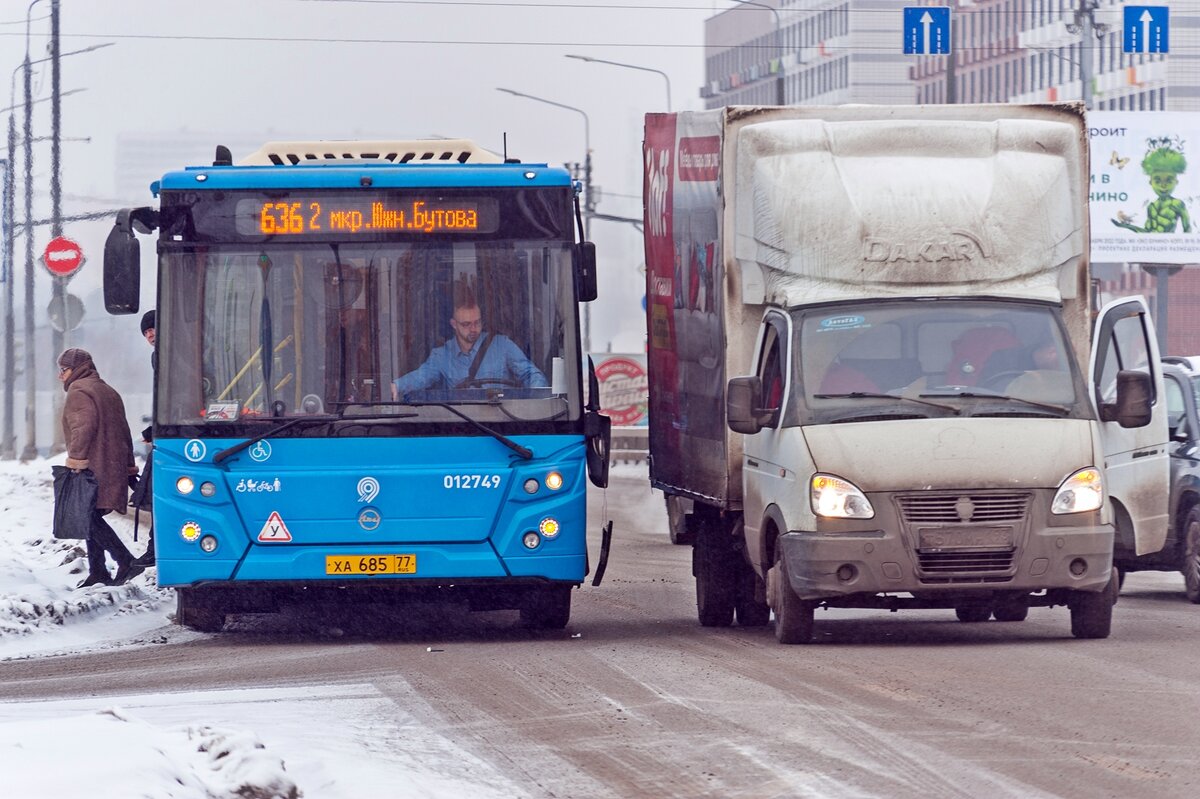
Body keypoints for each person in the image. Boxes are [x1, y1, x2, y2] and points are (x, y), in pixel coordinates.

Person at [58, 348, 144, 588]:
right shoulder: (108, 390)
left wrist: (75, 460)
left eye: (63, 370)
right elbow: (125, 431)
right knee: (91, 514)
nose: (60, 376)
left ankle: (126, 560)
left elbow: (82, 428)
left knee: (86, 515)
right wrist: (128, 466)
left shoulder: (79, 390)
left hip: (92, 466)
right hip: (112, 464)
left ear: (76, 369)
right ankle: (98, 571)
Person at [391, 286, 548, 399]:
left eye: (477, 322)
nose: (473, 329)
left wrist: (536, 396)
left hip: (502, 424)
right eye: (466, 324)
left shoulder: (503, 346)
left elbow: (530, 374)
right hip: (461, 428)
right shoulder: (442, 355)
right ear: (454, 324)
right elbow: (420, 377)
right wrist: (396, 386)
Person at [131, 309, 157, 567]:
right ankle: (153, 547)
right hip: (167, 428)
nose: (150, 336)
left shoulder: (173, 353)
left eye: (153, 330)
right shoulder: (158, 356)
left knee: (157, 491)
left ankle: (154, 549)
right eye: (146, 333)